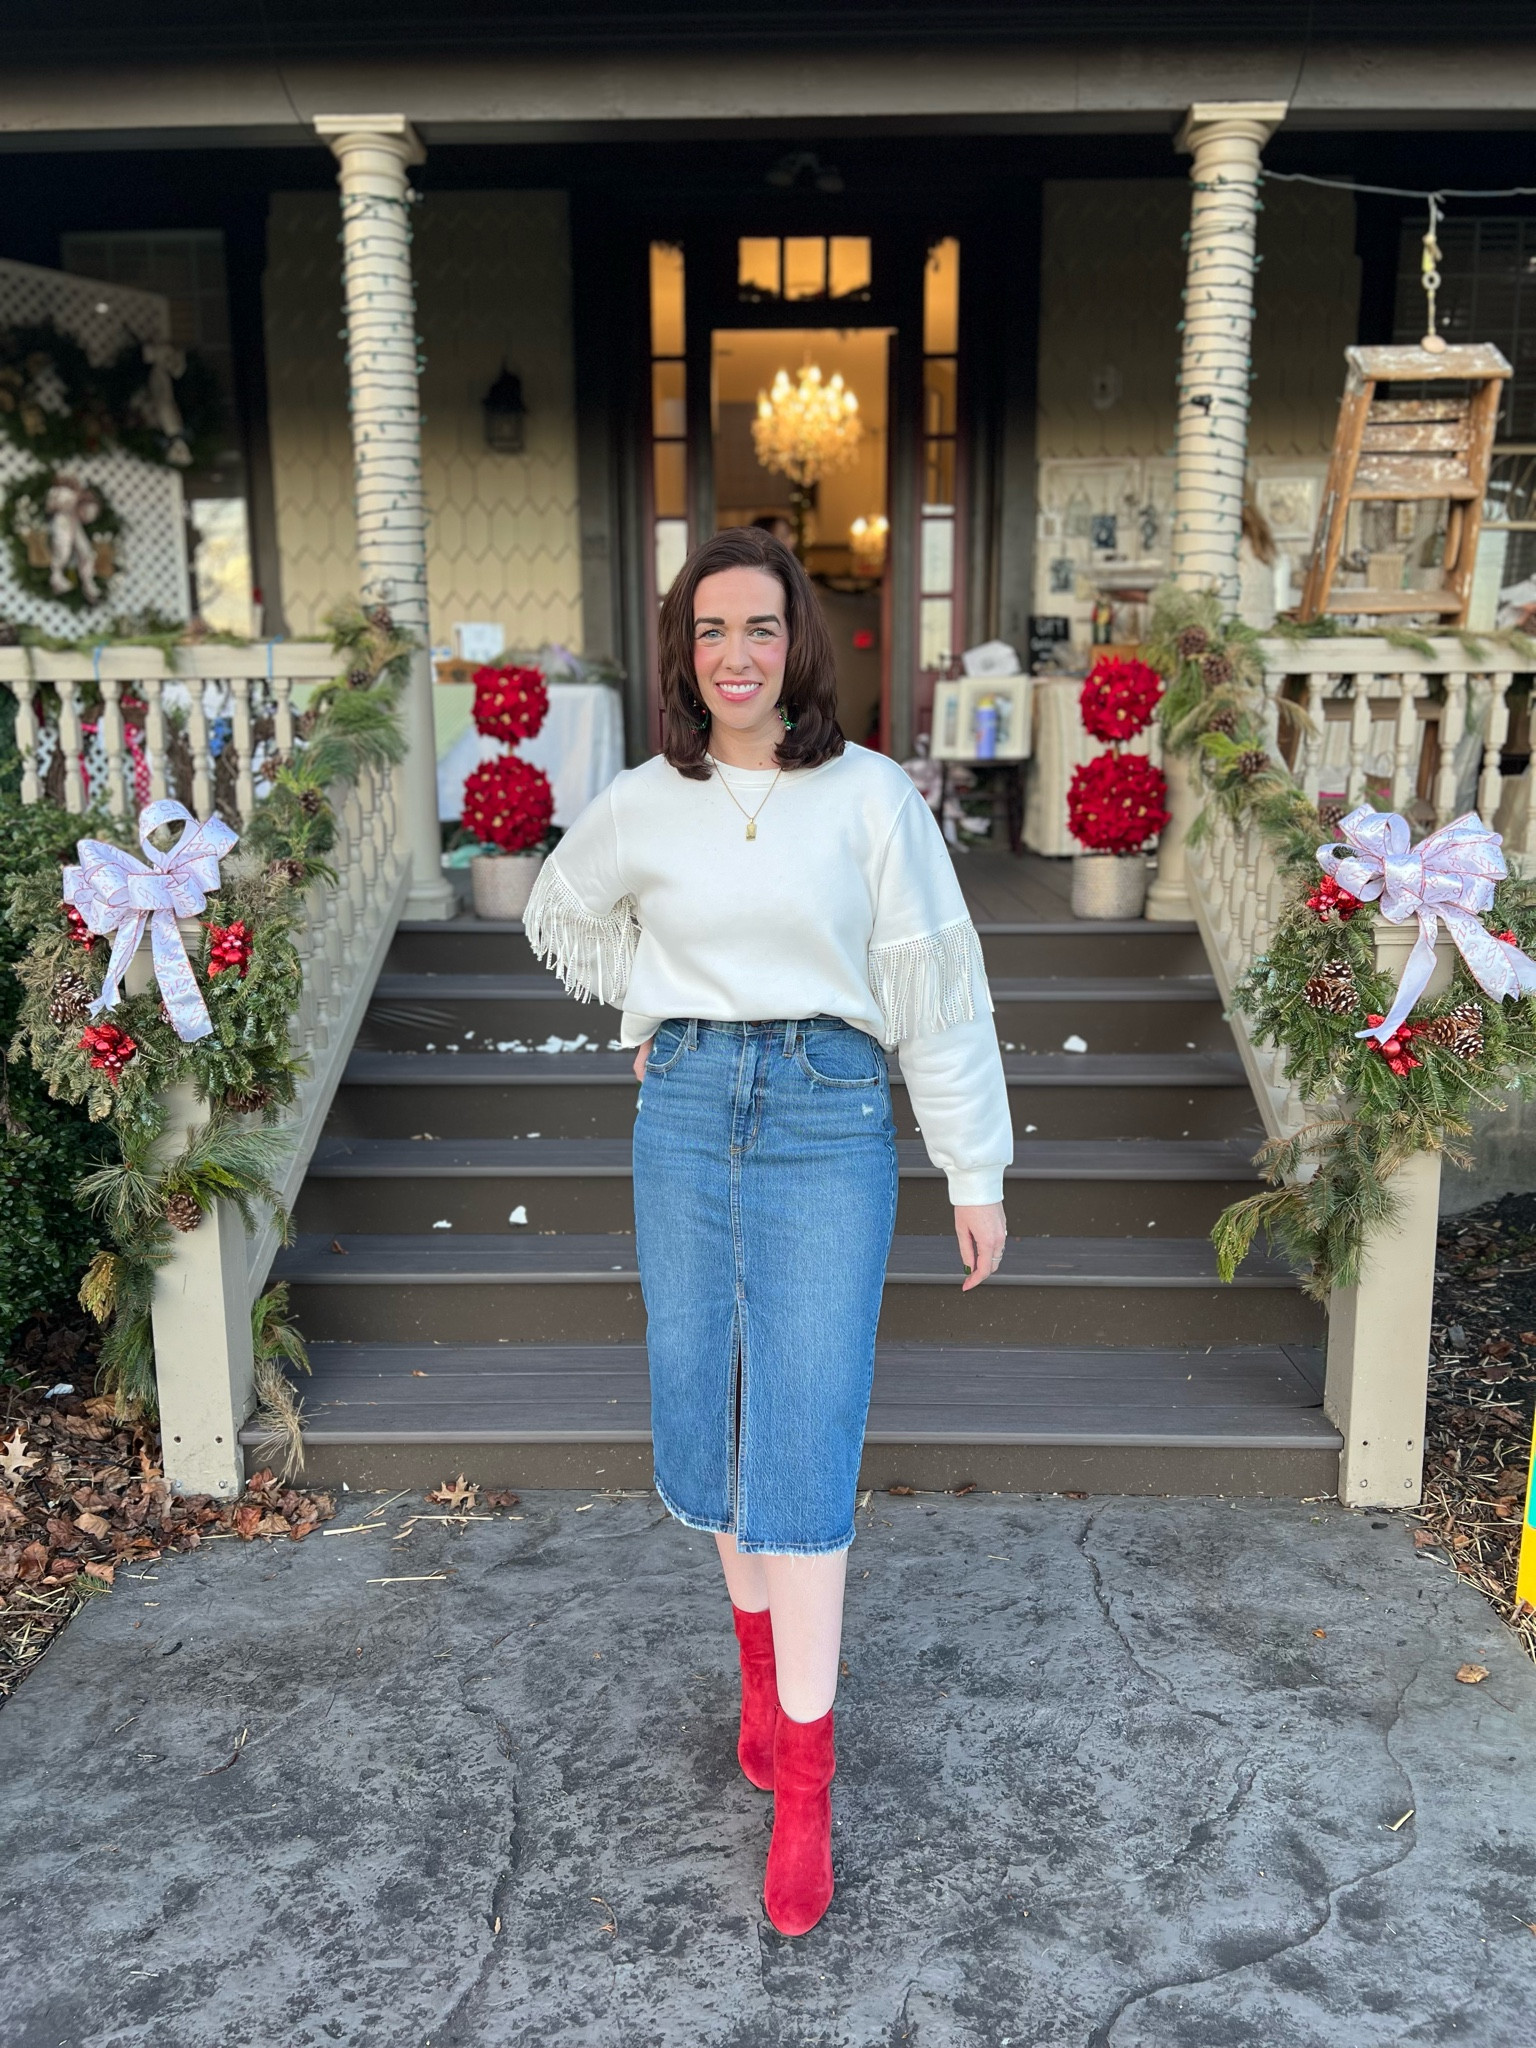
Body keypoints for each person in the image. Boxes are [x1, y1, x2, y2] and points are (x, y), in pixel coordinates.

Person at [523, 525, 1011, 1936]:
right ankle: (758, 1673)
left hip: (825, 1110)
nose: (736, 656)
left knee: (804, 1428)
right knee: (712, 1409)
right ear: (683, 654)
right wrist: (648, 1012)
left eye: (760, 629)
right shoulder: (641, 801)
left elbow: (938, 984)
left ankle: (807, 1778)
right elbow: (566, 906)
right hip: (682, 1116)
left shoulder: (869, 800)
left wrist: (971, 1167)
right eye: (710, 632)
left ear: (801, 644)